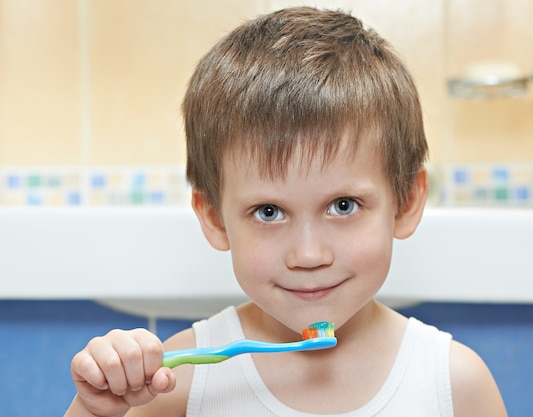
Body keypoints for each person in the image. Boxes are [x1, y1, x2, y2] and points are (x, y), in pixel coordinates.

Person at [65, 7, 507, 417]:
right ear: (215, 218)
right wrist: (96, 411)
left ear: (406, 202)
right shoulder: (180, 382)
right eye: (269, 212)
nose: (309, 254)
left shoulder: (455, 385)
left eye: (343, 205)